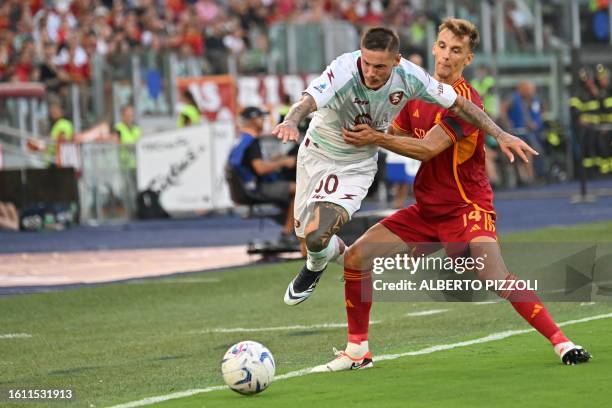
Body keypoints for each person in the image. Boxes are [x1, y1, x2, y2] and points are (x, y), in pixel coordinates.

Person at [310, 18, 591, 372]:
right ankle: (357, 352)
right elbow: (394, 133)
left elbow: (426, 149)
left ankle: (562, 342)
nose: (446, 56)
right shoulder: (416, 94)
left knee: (494, 275)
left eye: (456, 50)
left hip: (466, 206)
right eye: (442, 46)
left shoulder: (466, 101)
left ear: (467, 59)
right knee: (356, 259)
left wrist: (376, 138)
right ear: (433, 48)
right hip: (427, 210)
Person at [273, 26, 534, 306]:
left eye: (380, 67)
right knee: (309, 240)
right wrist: (290, 120)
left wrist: (500, 133)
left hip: (356, 164)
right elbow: (307, 101)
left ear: (396, 61)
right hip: (316, 154)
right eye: (367, 64)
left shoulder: (411, 77)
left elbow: (461, 105)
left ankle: (316, 271)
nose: (372, 73)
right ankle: (321, 256)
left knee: (318, 232)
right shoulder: (342, 70)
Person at [229, 106, 297, 240]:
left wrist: (275, 160)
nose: (263, 120)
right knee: (300, 190)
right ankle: (287, 233)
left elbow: (250, 164)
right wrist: (283, 162)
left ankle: (292, 226)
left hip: (248, 186)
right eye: (260, 117)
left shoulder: (242, 139)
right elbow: (260, 169)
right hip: (256, 188)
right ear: (252, 120)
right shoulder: (252, 142)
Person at [500, 80, 545, 184]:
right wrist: (508, 123)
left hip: (531, 133)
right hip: (517, 133)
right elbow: (503, 108)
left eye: (532, 90)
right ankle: (530, 178)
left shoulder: (533, 100)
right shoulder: (514, 98)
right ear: (521, 89)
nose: (531, 92)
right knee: (528, 151)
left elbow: (541, 110)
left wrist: (535, 122)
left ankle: (535, 176)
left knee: (537, 151)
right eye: (528, 90)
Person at [47, 102, 74, 166]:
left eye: (55, 110)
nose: (53, 112)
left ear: (61, 111)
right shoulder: (58, 124)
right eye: (52, 110)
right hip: (56, 160)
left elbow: (62, 139)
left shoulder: (63, 123)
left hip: (59, 161)